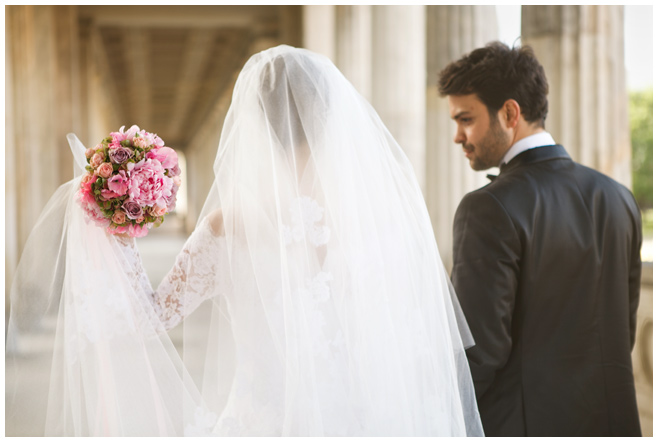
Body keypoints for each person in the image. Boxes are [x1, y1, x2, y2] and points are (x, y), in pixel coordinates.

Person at [7, 45, 484, 436]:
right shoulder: (384, 220)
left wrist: (118, 232)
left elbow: (150, 319)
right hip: (370, 422)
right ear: (333, 116)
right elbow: (417, 338)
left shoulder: (226, 227)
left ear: (255, 124)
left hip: (262, 423)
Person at [438, 41, 643, 436]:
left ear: (510, 113)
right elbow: (622, 332)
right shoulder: (619, 198)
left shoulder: (487, 209)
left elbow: (479, 352)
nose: (458, 136)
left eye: (465, 119)